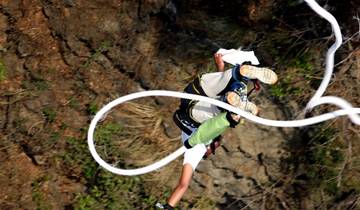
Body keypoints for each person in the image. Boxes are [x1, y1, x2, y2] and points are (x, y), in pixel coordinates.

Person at [156, 51, 278, 209]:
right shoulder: (199, 140)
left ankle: (238, 96)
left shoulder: (196, 148)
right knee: (231, 88)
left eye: (212, 149)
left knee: (224, 116)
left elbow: (183, 184)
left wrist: (169, 207)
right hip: (198, 91)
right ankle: (239, 84)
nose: (214, 149)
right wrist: (220, 66)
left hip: (195, 108)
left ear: (209, 149)